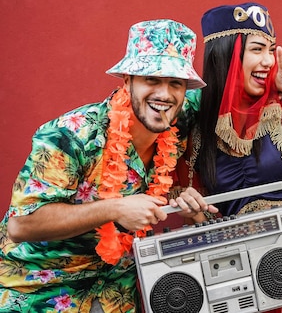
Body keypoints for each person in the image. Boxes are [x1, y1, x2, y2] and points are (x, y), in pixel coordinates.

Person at [0, 19, 210, 312]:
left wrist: (277, 84)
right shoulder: (70, 135)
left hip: (115, 292)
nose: (164, 93)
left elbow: (231, 96)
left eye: (175, 83)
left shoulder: (179, 116)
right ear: (127, 80)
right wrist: (114, 209)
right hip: (39, 290)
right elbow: (21, 225)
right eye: (151, 78)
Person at [171, 2, 282, 312]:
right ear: (225, 54)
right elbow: (198, 218)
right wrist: (192, 209)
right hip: (241, 285)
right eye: (257, 49)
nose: (269, 61)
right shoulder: (194, 125)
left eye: (272, 49)